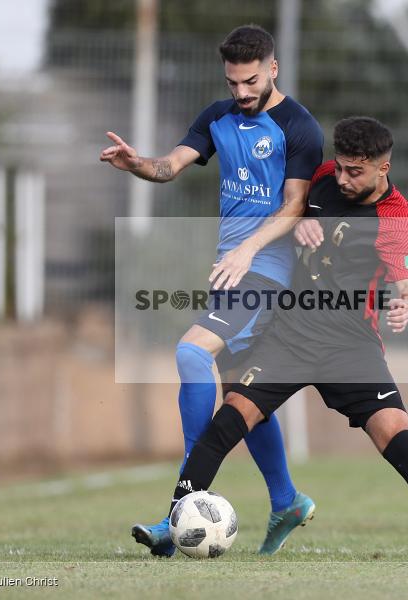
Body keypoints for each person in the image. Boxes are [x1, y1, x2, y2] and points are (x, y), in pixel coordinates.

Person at [159, 116, 408, 560]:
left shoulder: (396, 219)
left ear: (382, 169)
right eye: (341, 166)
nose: (343, 178)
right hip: (290, 335)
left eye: (356, 171)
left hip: (350, 346)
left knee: (397, 436)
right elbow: (288, 211)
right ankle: (173, 526)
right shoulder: (326, 177)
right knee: (230, 418)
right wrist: (298, 224)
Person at [100, 25, 323, 556]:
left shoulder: (299, 127)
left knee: (190, 353)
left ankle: (180, 507)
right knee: (241, 396)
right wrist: (138, 165)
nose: (241, 92)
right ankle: (287, 499)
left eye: (250, 81)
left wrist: (247, 249)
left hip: (267, 273)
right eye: (232, 82)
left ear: (272, 69)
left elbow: (293, 208)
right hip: (233, 271)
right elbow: (170, 166)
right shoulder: (217, 116)